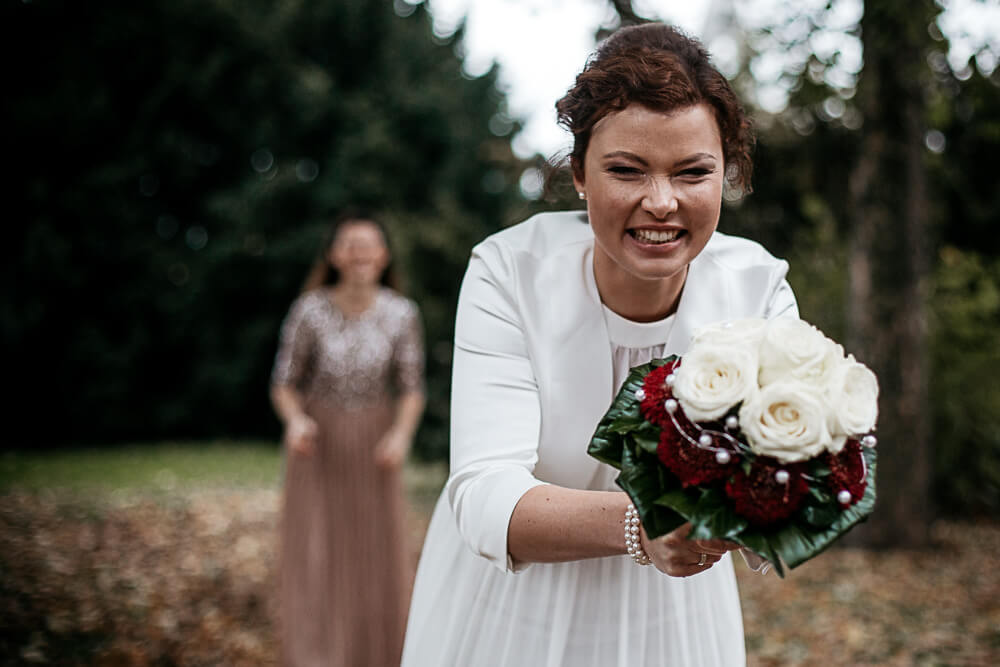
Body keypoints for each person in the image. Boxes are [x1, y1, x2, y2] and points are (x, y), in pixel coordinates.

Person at [401, 23, 797, 667]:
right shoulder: (509, 272)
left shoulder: (758, 288)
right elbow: (480, 495)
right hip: (508, 607)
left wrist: (787, 496)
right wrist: (641, 527)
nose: (661, 202)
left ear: (725, 173)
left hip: (673, 615)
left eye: (693, 172)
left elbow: (776, 478)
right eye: (627, 170)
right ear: (580, 174)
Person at [270, 211, 426, 667]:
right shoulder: (309, 309)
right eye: (350, 245)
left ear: (383, 255)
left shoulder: (402, 313)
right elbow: (283, 381)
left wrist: (399, 436)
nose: (359, 253)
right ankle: (316, 655)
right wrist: (296, 421)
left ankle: (377, 653)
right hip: (316, 444)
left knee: (374, 552)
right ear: (335, 254)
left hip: (377, 444)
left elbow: (412, 388)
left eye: (368, 245)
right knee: (318, 552)